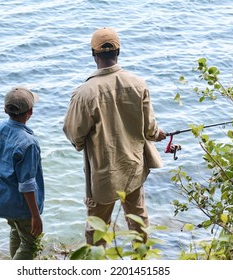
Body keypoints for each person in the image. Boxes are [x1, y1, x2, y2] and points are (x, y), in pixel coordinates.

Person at [63, 27, 166, 246]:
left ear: (93, 55)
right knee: (138, 221)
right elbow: (150, 129)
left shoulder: (84, 93)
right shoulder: (138, 84)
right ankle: (142, 261)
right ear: (118, 52)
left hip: (103, 174)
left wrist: (82, 142)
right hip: (134, 166)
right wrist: (158, 134)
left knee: (97, 229)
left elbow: (74, 134)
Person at [0, 86, 45, 259]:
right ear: (31, 112)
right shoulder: (29, 143)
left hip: (3, 197)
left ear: (5, 110)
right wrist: (35, 215)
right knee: (30, 243)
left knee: (16, 230)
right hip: (21, 204)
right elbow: (26, 183)